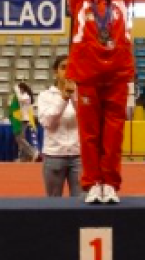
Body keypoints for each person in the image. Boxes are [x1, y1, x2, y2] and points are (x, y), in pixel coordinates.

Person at [62, 0, 142, 204]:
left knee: (114, 135)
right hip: (89, 76)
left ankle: (110, 183)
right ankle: (92, 182)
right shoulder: (79, 1)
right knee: (89, 134)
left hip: (117, 75)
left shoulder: (121, 0)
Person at [38, 55, 81, 197]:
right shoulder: (45, 96)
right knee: (54, 204)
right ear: (55, 72)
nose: (68, 71)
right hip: (54, 155)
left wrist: (73, 95)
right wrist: (64, 98)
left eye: (71, 68)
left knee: (82, 203)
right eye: (63, 67)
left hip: (78, 156)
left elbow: (86, 119)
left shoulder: (83, 95)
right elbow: (47, 123)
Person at [14, 82, 39, 162]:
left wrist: (16, 89)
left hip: (24, 119)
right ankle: (23, 157)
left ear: (23, 89)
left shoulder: (26, 96)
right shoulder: (24, 95)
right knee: (21, 139)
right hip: (21, 118)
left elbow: (20, 99)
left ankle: (33, 152)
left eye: (20, 88)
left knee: (20, 138)